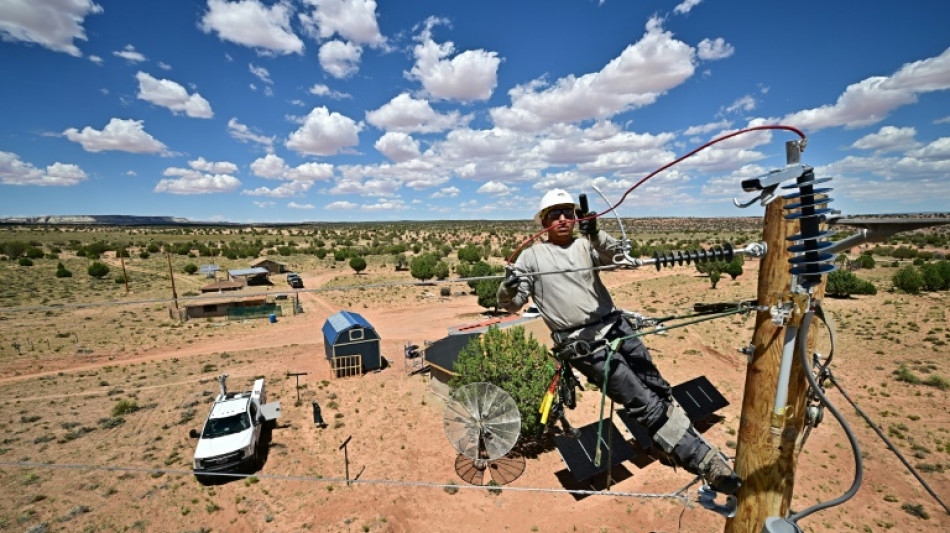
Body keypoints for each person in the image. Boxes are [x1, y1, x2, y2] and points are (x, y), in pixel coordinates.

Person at [496, 188, 741, 495]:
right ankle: (706, 463)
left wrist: (596, 232)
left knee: (658, 387)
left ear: (576, 217)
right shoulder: (530, 257)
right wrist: (507, 288)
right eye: (554, 214)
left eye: (568, 213)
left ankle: (668, 446)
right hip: (585, 345)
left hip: (616, 327)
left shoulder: (587, 244)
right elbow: (512, 303)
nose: (562, 219)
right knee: (642, 400)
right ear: (543, 221)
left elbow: (619, 257)